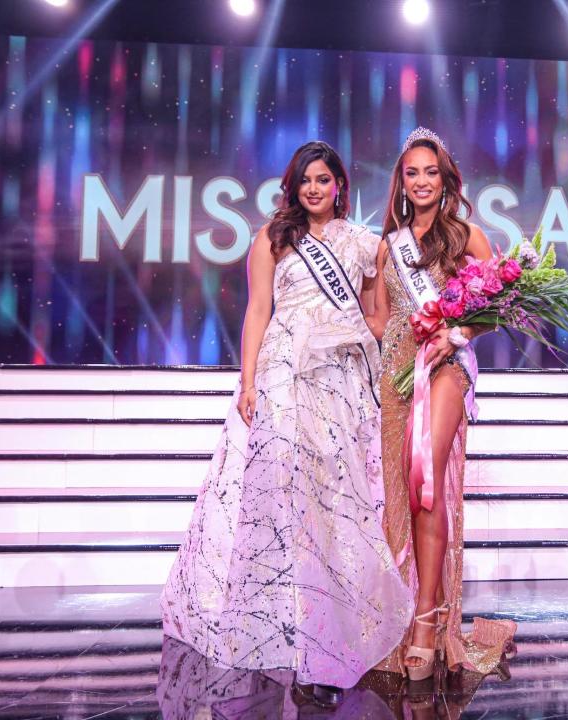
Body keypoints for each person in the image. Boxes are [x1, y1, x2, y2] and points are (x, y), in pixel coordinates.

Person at [161, 141, 413, 706]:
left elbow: (376, 318)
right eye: (306, 181)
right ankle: (285, 634)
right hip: (280, 375)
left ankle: (329, 636)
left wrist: (350, 335)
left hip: (339, 381)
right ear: (294, 186)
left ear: (340, 185)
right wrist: (248, 382)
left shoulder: (363, 244)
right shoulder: (273, 237)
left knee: (332, 506)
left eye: (324, 180)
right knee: (281, 501)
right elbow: (257, 312)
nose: (314, 189)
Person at [367, 128, 517, 684]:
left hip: (446, 369)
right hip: (395, 378)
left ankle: (429, 621)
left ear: (445, 178)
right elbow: (381, 320)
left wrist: (457, 334)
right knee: (400, 498)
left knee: (425, 483)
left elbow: (502, 305)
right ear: (401, 182)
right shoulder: (389, 246)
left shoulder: (467, 237)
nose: (423, 181)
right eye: (413, 172)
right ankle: (404, 612)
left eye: (432, 171)